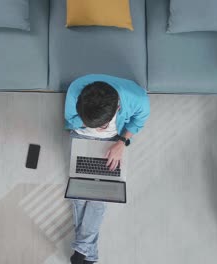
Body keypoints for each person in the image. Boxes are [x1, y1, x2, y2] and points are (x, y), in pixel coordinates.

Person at [64, 74, 150, 264]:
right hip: (81, 136)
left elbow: (138, 121)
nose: (98, 128)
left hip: (113, 141)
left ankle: (82, 251)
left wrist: (122, 142)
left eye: (102, 125)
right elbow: (70, 118)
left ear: (117, 108)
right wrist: (85, 124)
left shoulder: (138, 99)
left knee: (100, 194)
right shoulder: (75, 90)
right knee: (79, 191)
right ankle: (87, 253)